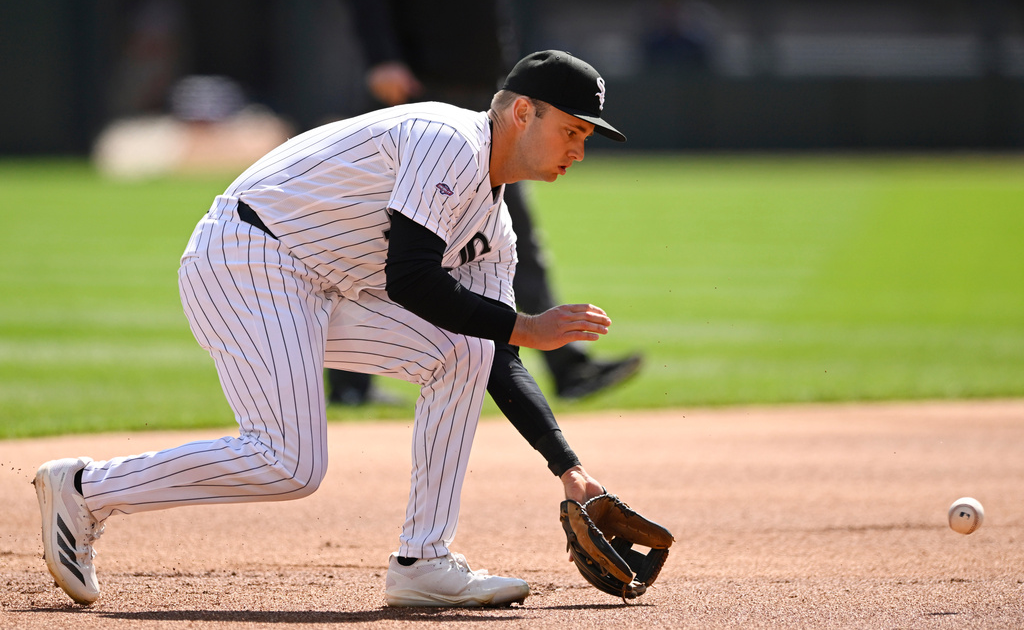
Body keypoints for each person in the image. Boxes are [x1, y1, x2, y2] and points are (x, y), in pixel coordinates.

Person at [34, 50, 627, 608]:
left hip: (317, 287)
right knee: (289, 463)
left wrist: (569, 469)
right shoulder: (450, 139)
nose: (579, 148)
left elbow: (496, 350)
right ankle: (85, 490)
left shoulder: (495, 232)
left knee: (466, 351)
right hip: (244, 257)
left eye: (586, 136)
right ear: (523, 112)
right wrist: (526, 325)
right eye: (572, 130)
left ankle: (423, 562)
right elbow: (413, 279)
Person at [328, 0, 642, 405]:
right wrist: (382, 58)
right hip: (425, 101)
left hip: (482, 98)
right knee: (376, 233)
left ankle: (567, 366)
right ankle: (350, 385)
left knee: (512, 235)